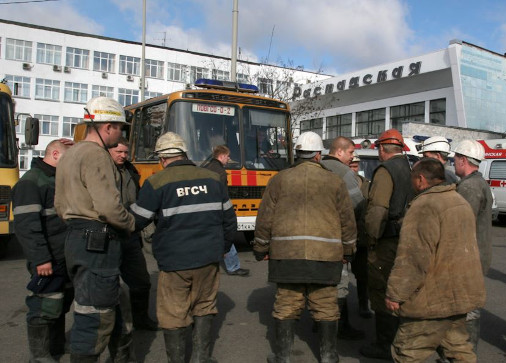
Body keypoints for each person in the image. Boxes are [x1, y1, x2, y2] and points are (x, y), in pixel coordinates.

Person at [130, 132, 237, 363]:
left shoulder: (156, 182)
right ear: (184, 153)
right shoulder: (213, 179)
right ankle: (200, 358)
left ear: (162, 158)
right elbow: (230, 221)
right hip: (208, 258)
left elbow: (137, 221)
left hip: (175, 261)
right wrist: (221, 248)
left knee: (173, 314)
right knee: (205, 307)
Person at [253, 131, 357, 363]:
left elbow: (265, 217)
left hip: (287, 257)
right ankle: (329, 356)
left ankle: (282, 356)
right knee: (326, 307)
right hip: (326, 258)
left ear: (298, 153)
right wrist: (348, 250)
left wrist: (260, 248)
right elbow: (347, 221)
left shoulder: (279, 179)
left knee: (287, 305)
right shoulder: (335, 181)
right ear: (318, 155)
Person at [55, 96, 135, 362]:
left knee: (97, 307)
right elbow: (110, 207)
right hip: (98, 242)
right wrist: (130, 224)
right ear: (108, 126)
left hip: (76, 239)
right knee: (95, 317)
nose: (121, 134)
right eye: (120, 128)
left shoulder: (71, 154)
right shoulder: (96, 154)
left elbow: (59, 204)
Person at [385, 158, 486, 362]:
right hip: (459, 296)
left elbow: (413, 258)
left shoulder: (424, 205)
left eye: (412, 178)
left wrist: (395, 294)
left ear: (421, 179)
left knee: (407, 353)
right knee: (458, 350)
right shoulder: (459, 201)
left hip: (431, 301)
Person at [12, 139, 73, 362]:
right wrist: (41, 259)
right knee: (43, 306)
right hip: (48, 259)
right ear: (55, 154)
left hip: (63, 256)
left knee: (60, 302)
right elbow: (27, 227)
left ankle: (56, 347)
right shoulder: (31, 183)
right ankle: (39, 356)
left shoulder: (57, 179)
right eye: (68, 159)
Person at [361, 128, 416, 360]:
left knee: (382, 290)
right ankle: (403, 340)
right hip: (407, 238)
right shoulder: (411, 168)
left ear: (382, 149)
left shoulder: (385, 171)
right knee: (401, 290)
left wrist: (370, 238)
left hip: (387, 241)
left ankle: (384, 345)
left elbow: (378, 210)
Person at [108, 138, 159, 332]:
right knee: (109, 285)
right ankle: (114, 327)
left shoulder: (130, 170)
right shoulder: (101, 169)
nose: (122, 155)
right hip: (109, 234)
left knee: (141, 281)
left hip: (130, 234)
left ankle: (141, 320)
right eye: (118, 152)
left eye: (125, 152)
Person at [320, 136, 366, 340]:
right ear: (339, 152)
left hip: (316, 236)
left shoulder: (317, 166)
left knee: (321, 284)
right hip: (337, 237)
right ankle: (339, 327)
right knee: (340, 283)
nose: (352, 157)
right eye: (350, 153)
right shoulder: (344, 172)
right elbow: (357, 204)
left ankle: (320, 323)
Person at [453, 140, 493, 354]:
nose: (453, 162)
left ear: (463, 159)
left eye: (455, 158)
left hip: (468, 257)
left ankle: (465, 354)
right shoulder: (478, 182)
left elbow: (460, 225)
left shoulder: (469, 187)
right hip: (476, 255)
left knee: (467, 308)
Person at [204, 144, 250, 277]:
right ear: (222, 156)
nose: (228, 159)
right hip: (218, 209)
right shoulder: (221, 172)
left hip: (207, 209)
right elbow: (222, 194)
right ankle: (233, 266)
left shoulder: (206, 169)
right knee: (227, 236)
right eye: (227, 156)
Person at [349, 153, 374, 319]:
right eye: (350, 165)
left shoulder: (367, 185)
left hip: (361, 237)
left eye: (355, 166)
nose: (353, 169)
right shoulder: (339, 182)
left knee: (362, 275)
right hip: (342, 236)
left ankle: (363, 304)